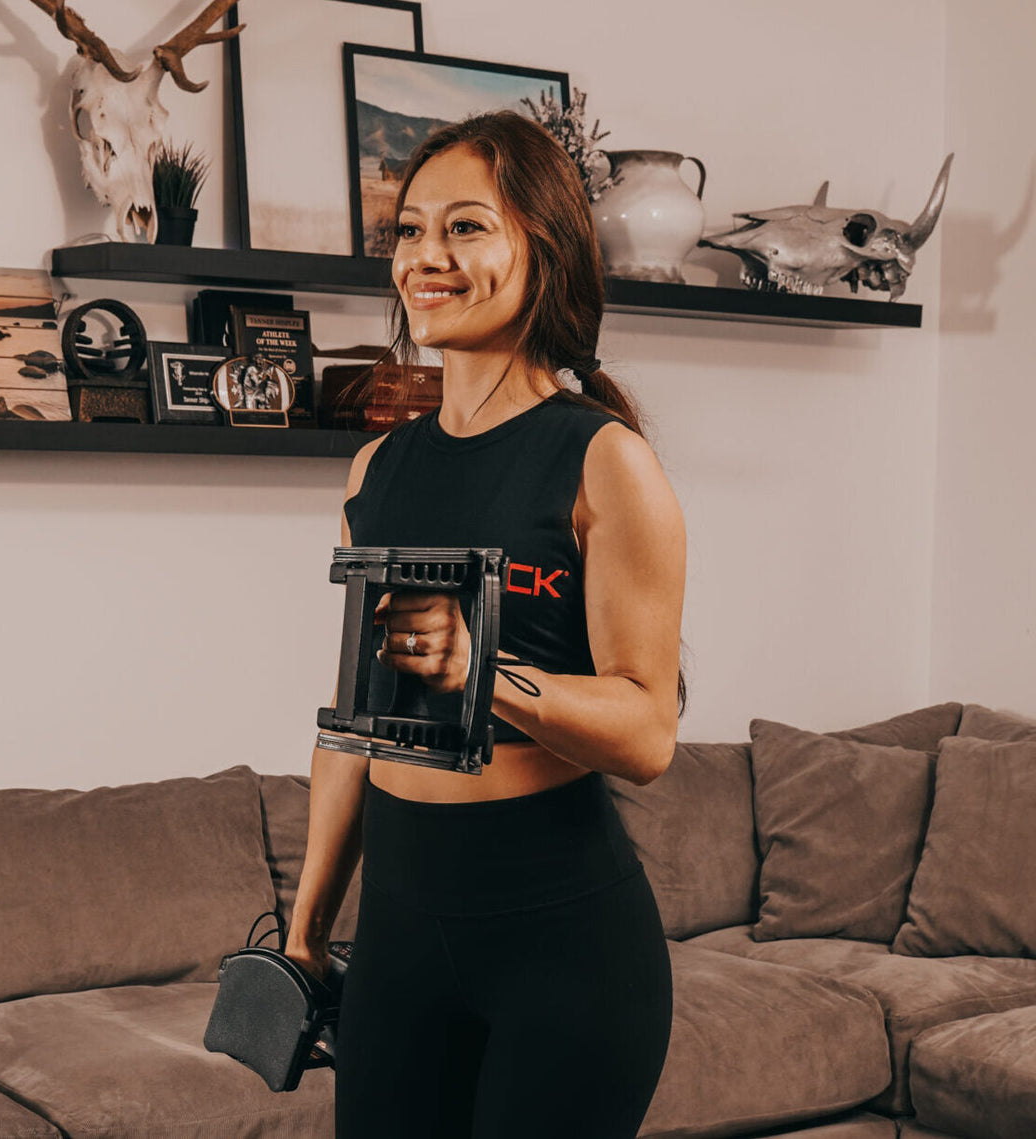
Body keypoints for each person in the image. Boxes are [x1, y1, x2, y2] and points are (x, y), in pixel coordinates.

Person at [285, 109, 688, 1139]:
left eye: (466, 227)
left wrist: (482, 667)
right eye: (411, 231)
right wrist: (306, 929)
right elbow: (353, 718)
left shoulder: (603, 459)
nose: (429, 257)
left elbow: (647, 732)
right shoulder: (381, 468)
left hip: (566, 944)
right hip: (400, 940)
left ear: (541, 250)